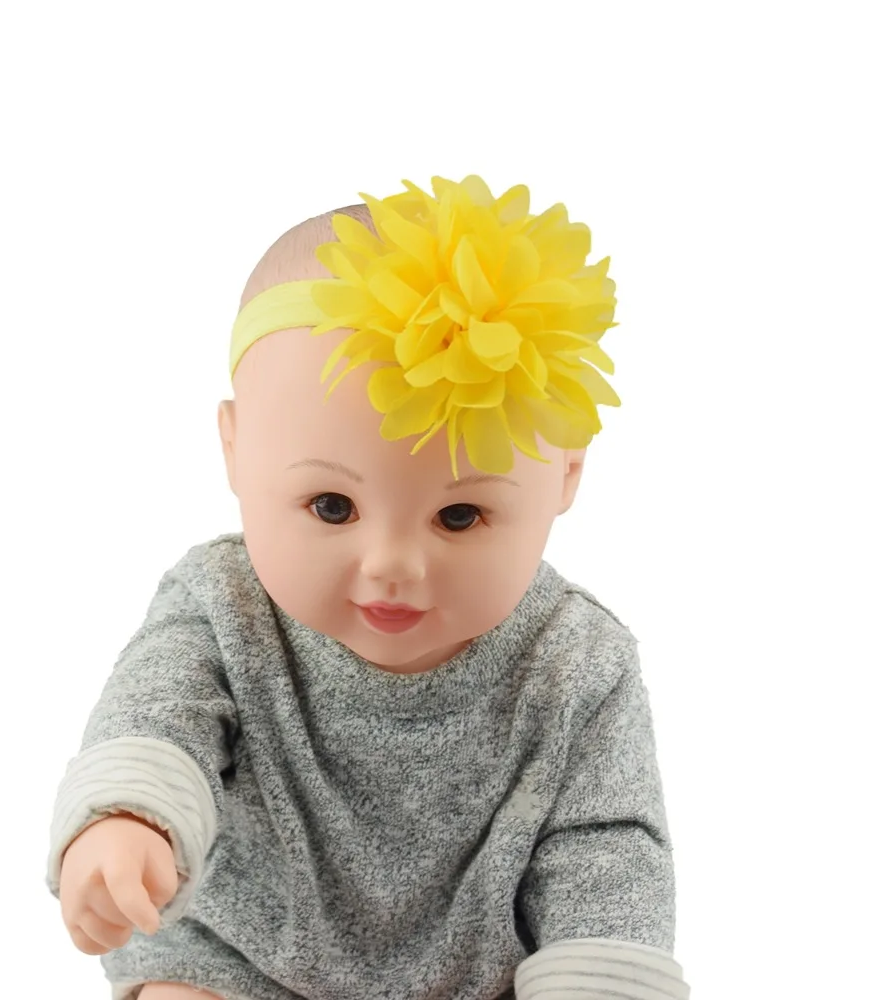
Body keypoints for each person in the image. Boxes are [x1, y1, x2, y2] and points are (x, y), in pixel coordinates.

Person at [47, 176, 690, 999]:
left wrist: (598, 973)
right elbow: (158, 712)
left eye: (459, 515)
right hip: (238, 961)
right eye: (332, 505)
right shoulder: (220, 604)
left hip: (476, 980)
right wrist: (129, 817)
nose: (392, 564)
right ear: (235, 450)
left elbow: (606, 847)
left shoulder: (578, 663)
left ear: (566, 475)